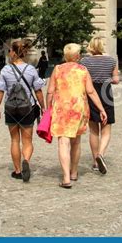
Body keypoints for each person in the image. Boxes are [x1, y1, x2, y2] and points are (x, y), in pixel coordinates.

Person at [47, 43, 107, 188]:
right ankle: (74, 173)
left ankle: (66, 177)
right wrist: (101, 109)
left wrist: (47, 108)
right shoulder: (83, 70)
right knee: (76, 141)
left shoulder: (57, 69)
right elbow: (91, 92)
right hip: (78, 109)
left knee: (63, 141)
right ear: (77, 56)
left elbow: (50, 91)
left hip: (61, 108)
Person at [0, 40, 45, 182]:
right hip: (27, 108)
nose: (9, 53)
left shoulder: (5, 70)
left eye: (10, 51)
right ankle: (26, 161)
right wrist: (43, 107)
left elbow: (0, 91)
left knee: (15, 140)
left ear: (15, 53)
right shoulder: (31, 69)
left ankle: (17, 170)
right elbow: (38, 91)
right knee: (27, 140)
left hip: (11, 109)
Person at [80, 36, 119, 174]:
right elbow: (116, 80)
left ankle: (95, 161)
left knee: (93, 130)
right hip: (106, 94)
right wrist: (107, 78)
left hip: (90, 95)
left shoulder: (84, 61)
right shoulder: (111, 61)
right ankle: (100, 154)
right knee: (106, 129)